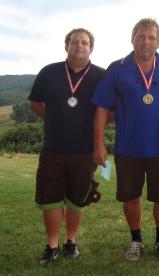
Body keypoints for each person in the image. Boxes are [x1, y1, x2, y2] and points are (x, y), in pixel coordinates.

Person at [92, 18, 159, 261]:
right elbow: (101, 108)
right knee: (130, 196)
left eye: (151, 37)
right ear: (133, 38)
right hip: (127, 148)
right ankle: (136, 240)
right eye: (141, 36)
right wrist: (99, 144)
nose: (146, 41)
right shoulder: (117, 68)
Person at [28, 28, 106, 266]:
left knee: (76, 199)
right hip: (53, 148)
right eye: (74, 42)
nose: (79, 46)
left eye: (84, 42)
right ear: (66, 46)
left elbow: (108, 112)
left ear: (91, 48)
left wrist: (95, 136)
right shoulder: (49, 72)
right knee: (50, 198)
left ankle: (70, 242)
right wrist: (55, 120)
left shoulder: (101, 76)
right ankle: (52, 245)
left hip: (85, 151)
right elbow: (35, 103)